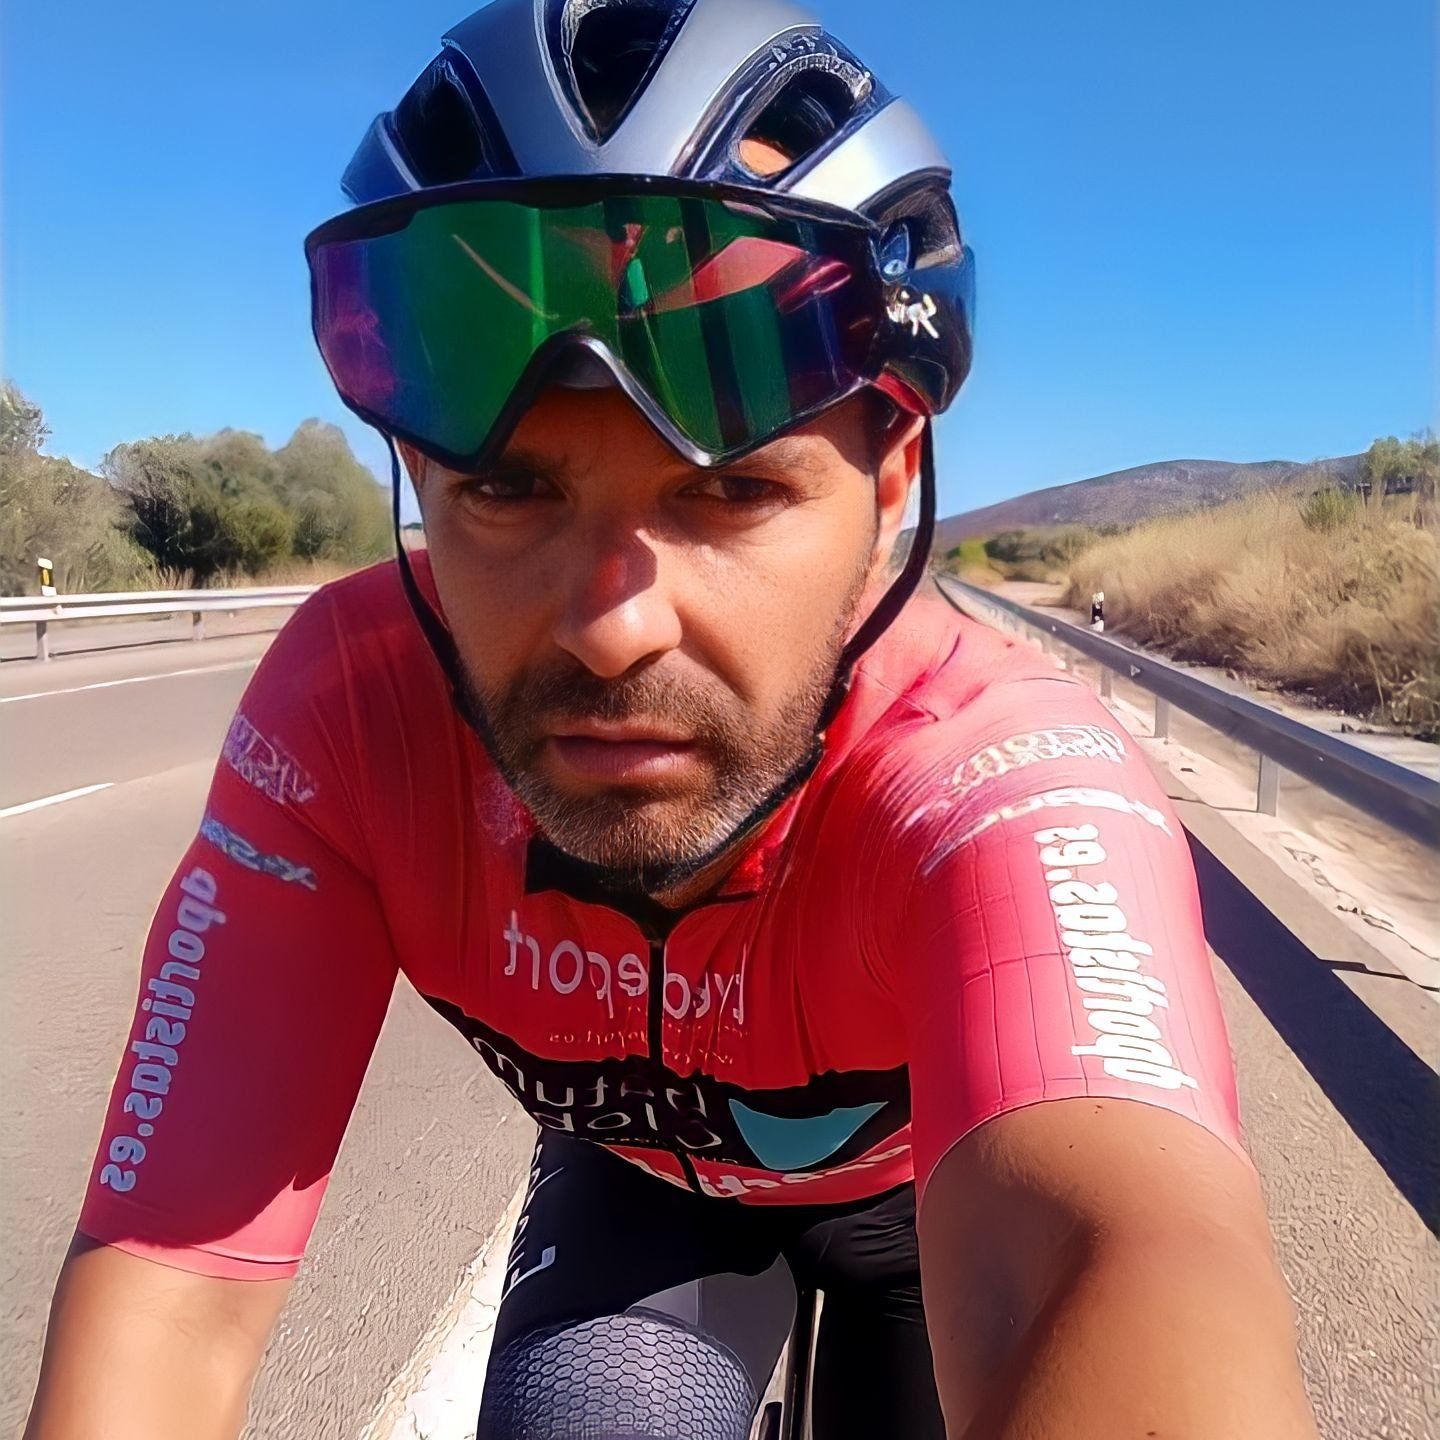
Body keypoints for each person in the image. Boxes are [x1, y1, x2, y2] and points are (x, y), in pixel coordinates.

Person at [24, 2, 1319, 1437]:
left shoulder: (998, 774)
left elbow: (1114, 1257)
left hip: (926, 1223)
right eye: (507, 490)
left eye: (735, 489)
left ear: (890, 487)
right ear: (419, 480)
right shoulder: (350, 716)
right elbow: (172, 1281)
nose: (611, 624)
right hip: (645, 1197)